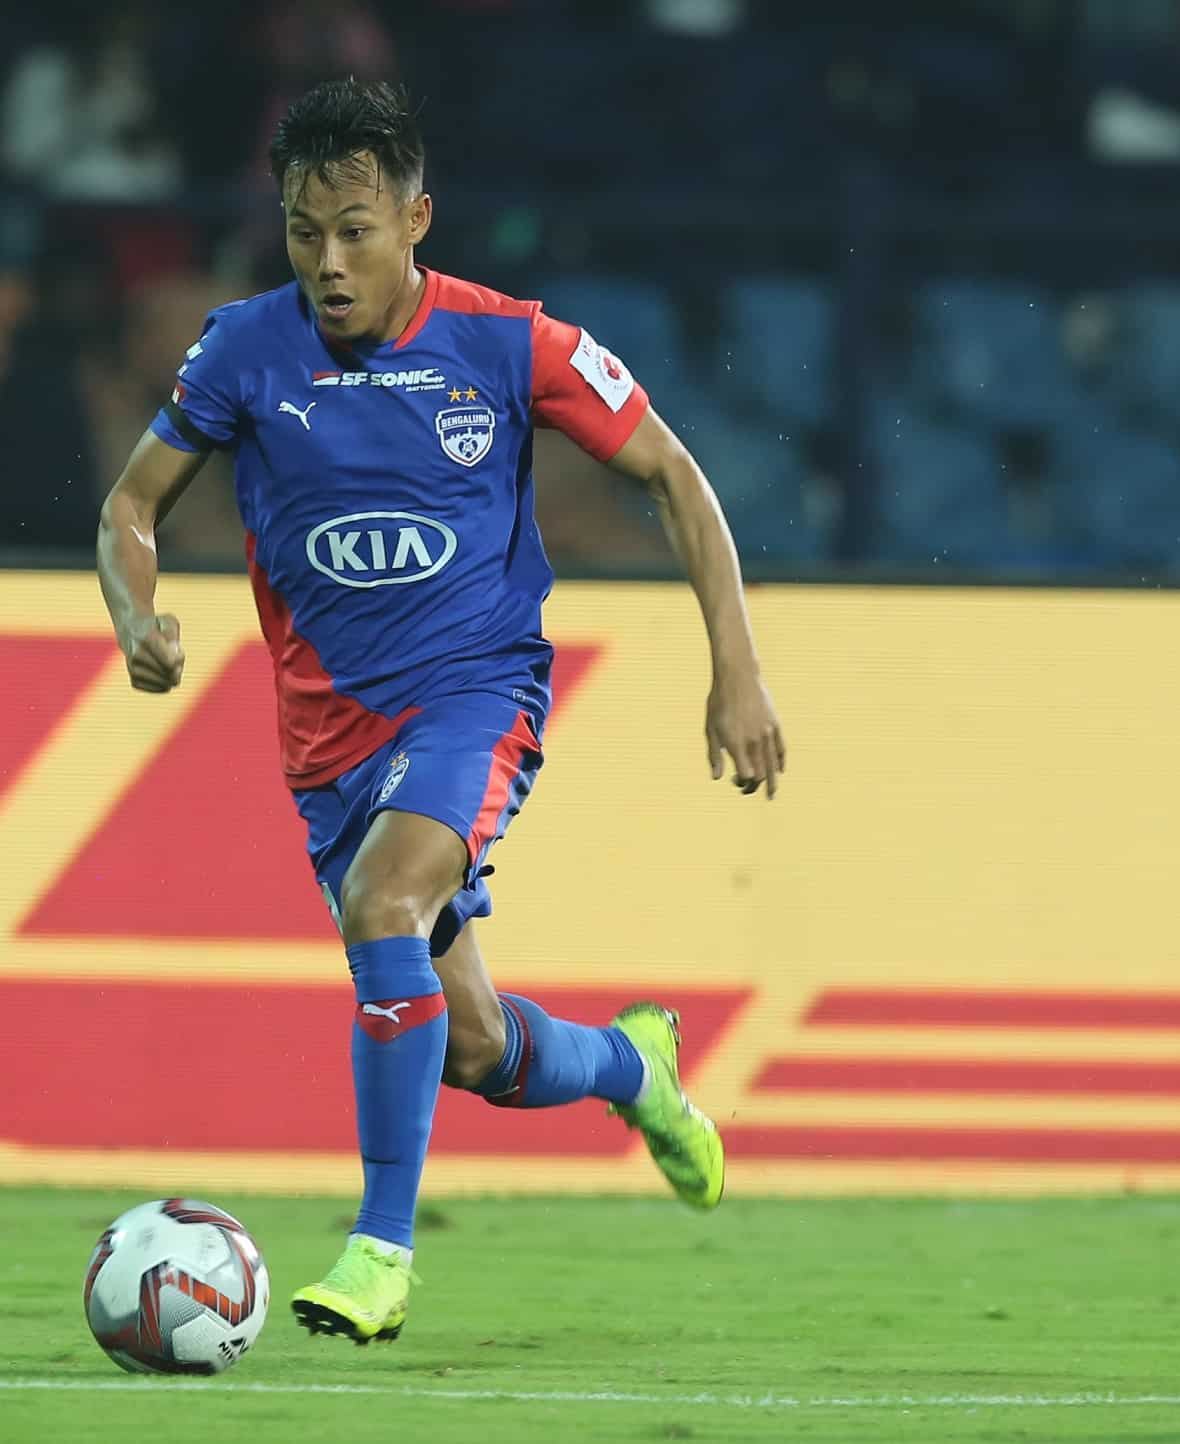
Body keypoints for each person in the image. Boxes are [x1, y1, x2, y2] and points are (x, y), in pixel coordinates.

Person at [94, 80, 785, 1342]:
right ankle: (638, 1069)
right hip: (329, 749)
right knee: (470, 1048)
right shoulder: (245, 349)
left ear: (417, 218)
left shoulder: (510, 345)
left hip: (477, 694)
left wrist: (735, 666)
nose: (330, 263)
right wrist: (134, 613)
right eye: (306, 233)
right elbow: (131, 505)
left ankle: (380, 1250)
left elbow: (675, 478)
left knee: (383, 905)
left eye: (356, 230)